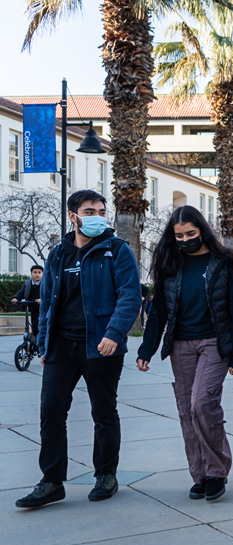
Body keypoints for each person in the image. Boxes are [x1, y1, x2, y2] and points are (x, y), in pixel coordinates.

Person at [16, 190, 141, 509]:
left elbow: (130, 296)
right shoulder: (58, 254)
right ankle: (52, 481)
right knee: (51, 411)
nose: (98, 216)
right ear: (73, 216)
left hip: (101, 346)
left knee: (103, 411)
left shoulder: (117, 250)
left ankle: (106, 475)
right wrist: (43, 343)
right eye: (90, 211)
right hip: (61, 347)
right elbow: (47, 304)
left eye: (101, 210)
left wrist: (114, 332)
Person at [136, 206, 233, 503]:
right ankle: (198, 474)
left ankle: (216, 470)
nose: (185, 240)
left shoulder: (223, 262)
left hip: (214, 343)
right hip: (180, 345)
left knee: (202, 404)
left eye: (190, 234)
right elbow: (158, 310)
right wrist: (147, 349)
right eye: (179, 236)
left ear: (202, 231)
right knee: (186, 411)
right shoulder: (169, 263)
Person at [12, 264, 43, 342]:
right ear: (31, 274)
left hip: (43, 309)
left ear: (43, 274)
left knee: (38, 325)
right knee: (32, 326)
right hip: (33, 308)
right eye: (35, 272)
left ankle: (40, 342)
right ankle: (34, 342)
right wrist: (15, 298)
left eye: (39, 272)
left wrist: (42, 299)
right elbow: (22, 292)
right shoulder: (28, 283)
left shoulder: (45, 283)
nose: (37, 274)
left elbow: (49, 294)